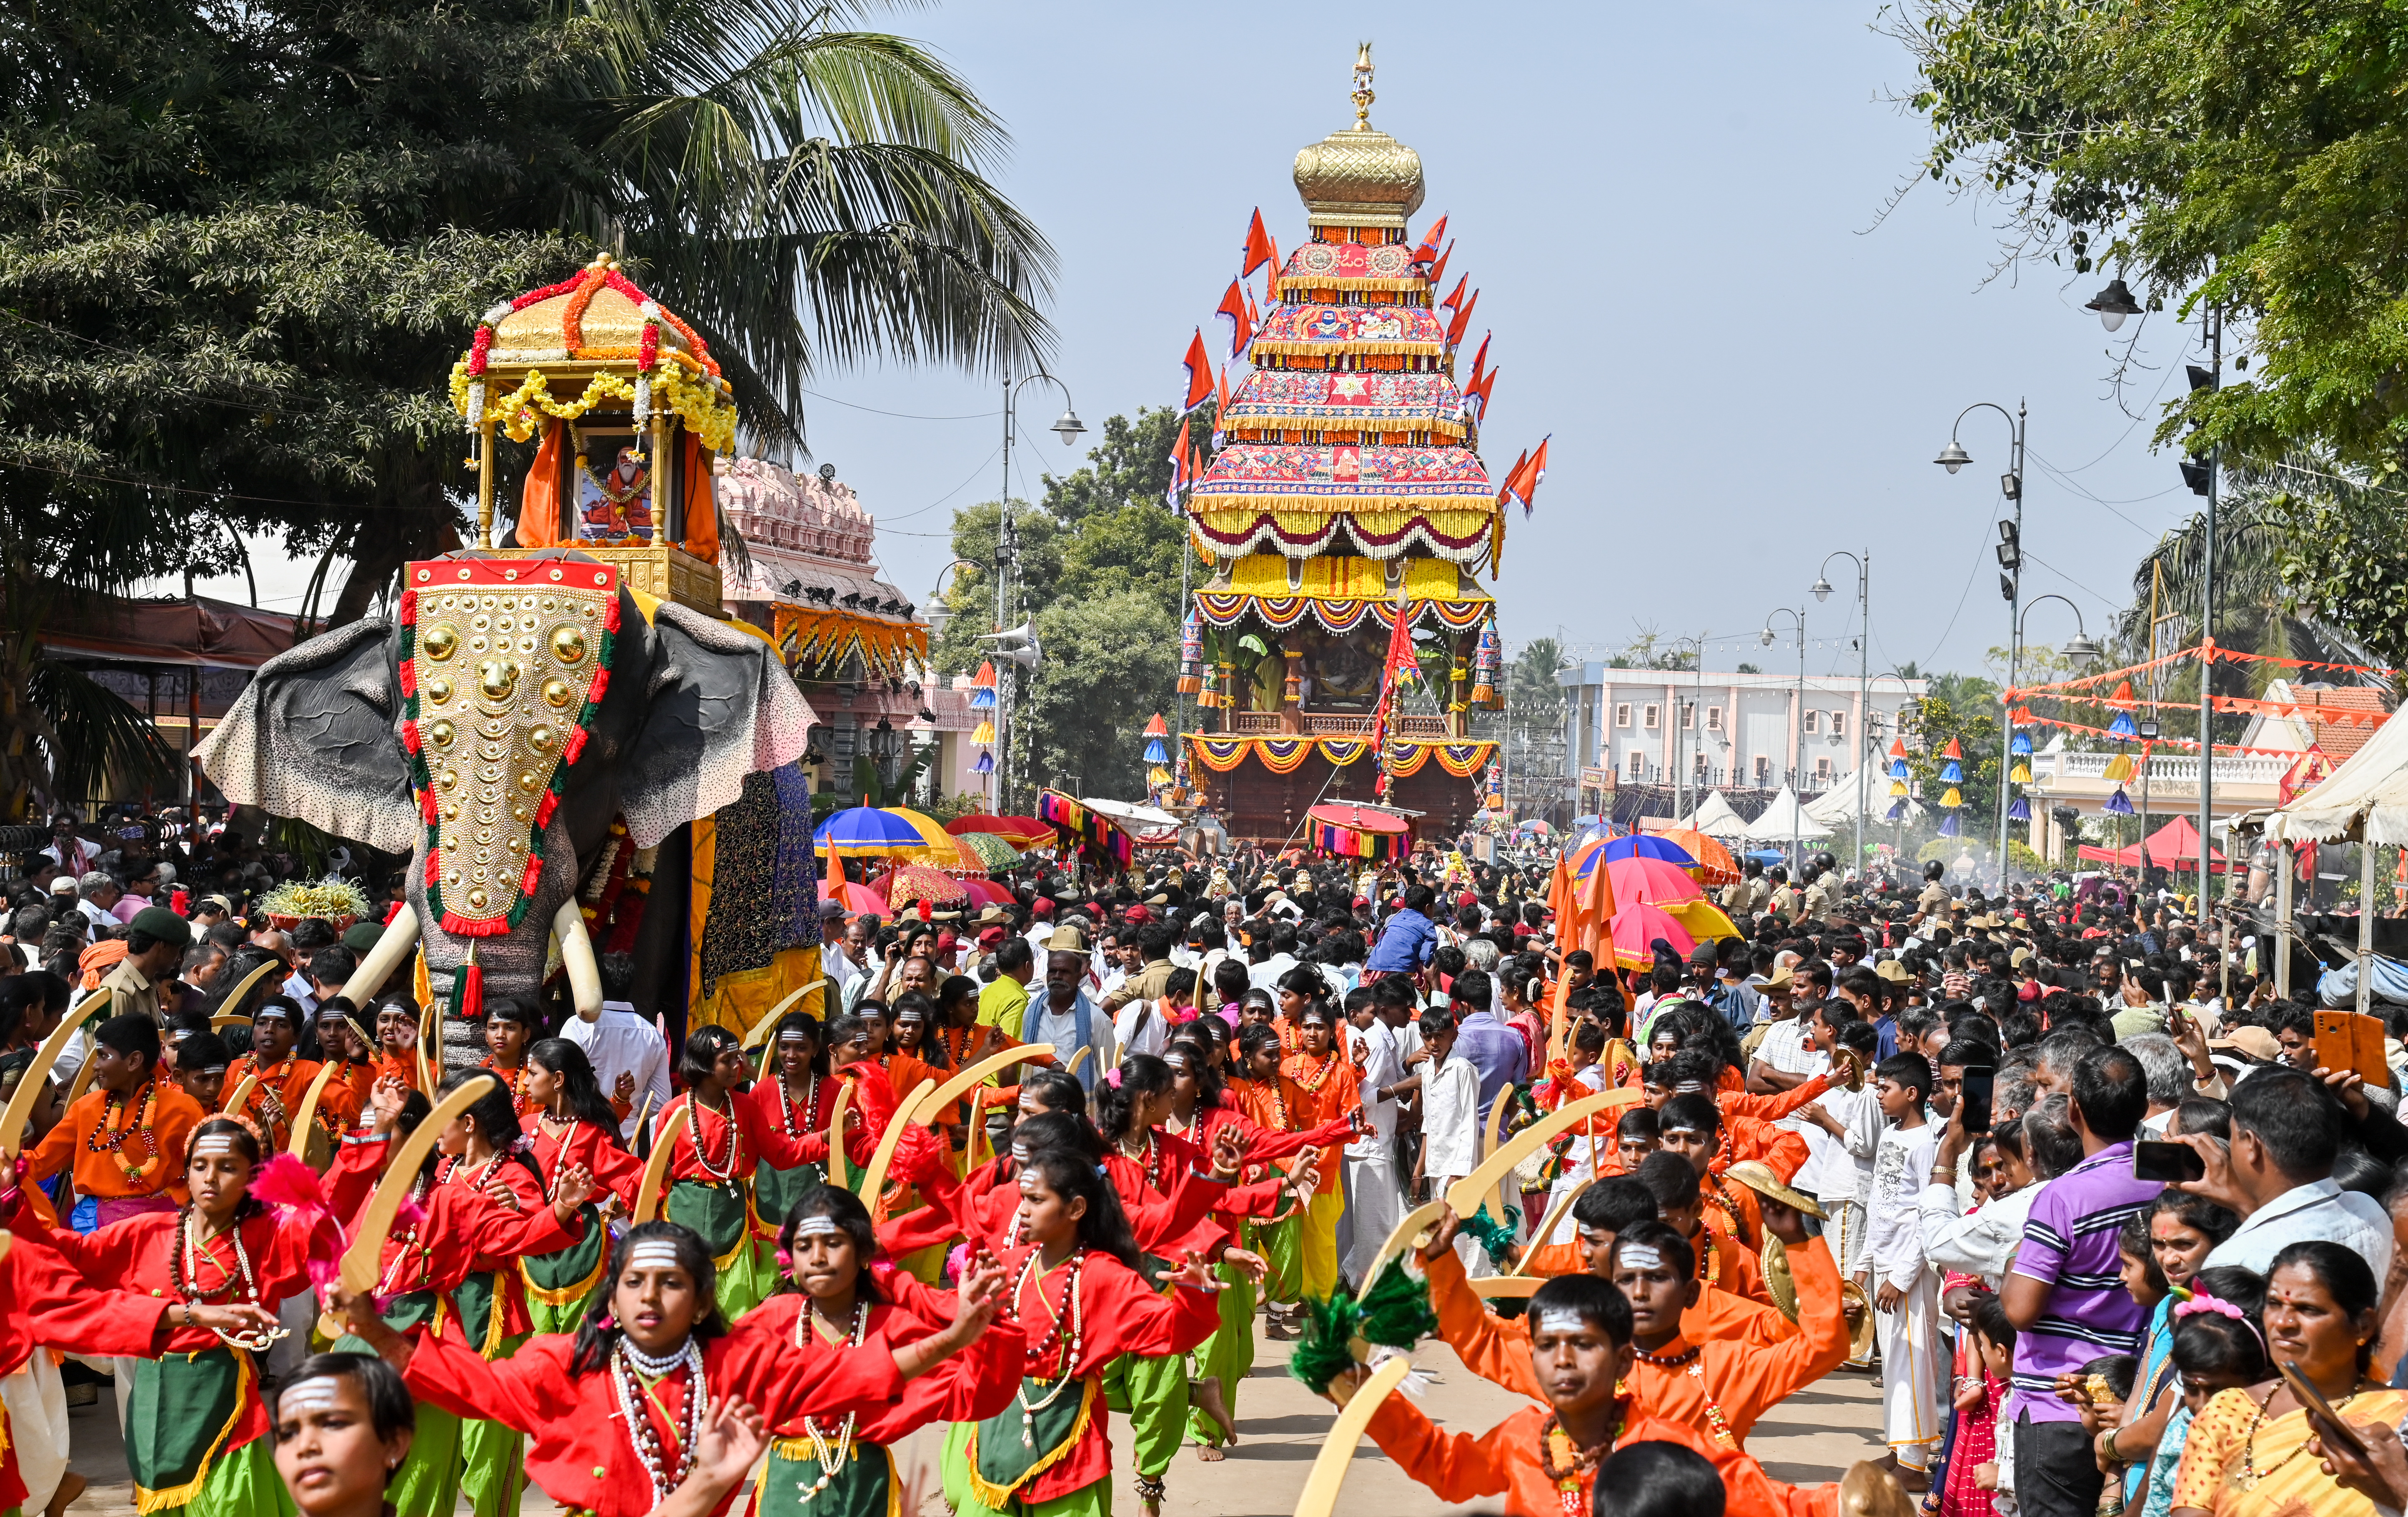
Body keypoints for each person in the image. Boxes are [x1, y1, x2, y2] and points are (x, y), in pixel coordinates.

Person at [335, 1220, 995, 1517]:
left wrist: (954, 1337)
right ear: (613, 1298)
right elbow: (469, 1384)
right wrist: (371, 1327)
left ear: (704, 1299)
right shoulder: (561, 1366)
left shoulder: (740, 1364)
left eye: (671, 1283)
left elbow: (849, 1377)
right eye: (636, 1283)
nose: (650, 1297)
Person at [2003, 1046, 2161, 1517]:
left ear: (2073, 1111)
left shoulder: (2063, 1195)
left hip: (2060, 1400)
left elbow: (2019, 1309)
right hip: (2135, 1397)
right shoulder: (2165, 1179)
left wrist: (2015, 1260)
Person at [2169, 1241, 2403, 1517]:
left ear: (2363, 1325)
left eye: (2308, 1309)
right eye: (2274, 1304)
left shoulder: (2399, 1418)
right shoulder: (2227, 1410)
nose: (2283, 1323)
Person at [2170, 1066, 2394, 1279]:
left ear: (2251, 1145)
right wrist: (2242, 1205)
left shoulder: (2236, 1260)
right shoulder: (2369, 1208)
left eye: (2233, 1135)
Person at [25, 1012, 208, 1228]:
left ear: (133, 1061)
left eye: (104, 1056)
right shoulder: (86, 1108)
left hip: (162, 1224)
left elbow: (205, 1167)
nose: (96, 1067)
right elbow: (39, 1162)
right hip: (94, 1225)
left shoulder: (183, 1109)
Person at [1868, 1050, 1945, 1485]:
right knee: (1894, 1362)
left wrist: (1900, 1277)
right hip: (1883, 1262)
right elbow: (1879, 1200)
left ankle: (1914, 1463)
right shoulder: (1890, 1135)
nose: (1878, 1095)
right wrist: (1866, 1264)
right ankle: (1898, 1446)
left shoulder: (1925, 1144)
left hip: (1909, 1274)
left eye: (1885, 1088)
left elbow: (1923, 1216)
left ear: (1911, 1093)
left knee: (1914, 1361)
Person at [555, 955, 669, 1140]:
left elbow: (564, 1089)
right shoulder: (652, 1034)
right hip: (628, 1142)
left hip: (582, 1140)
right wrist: (629, 1111)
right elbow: (659, 1102)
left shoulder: (577, 1026)